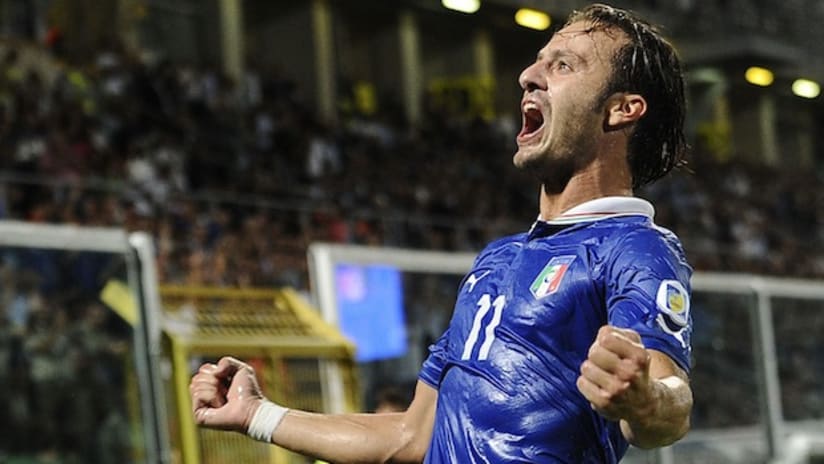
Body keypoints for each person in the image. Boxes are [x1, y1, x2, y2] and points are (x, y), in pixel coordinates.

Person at [189, 3, 694, 462]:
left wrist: (646, 400)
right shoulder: (496, 260)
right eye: (538, 61)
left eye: (563, 65)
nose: (527, 76)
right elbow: (412, 435)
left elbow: (671, 400)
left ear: (622, 109)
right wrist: (259, 415)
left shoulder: (636, 247)